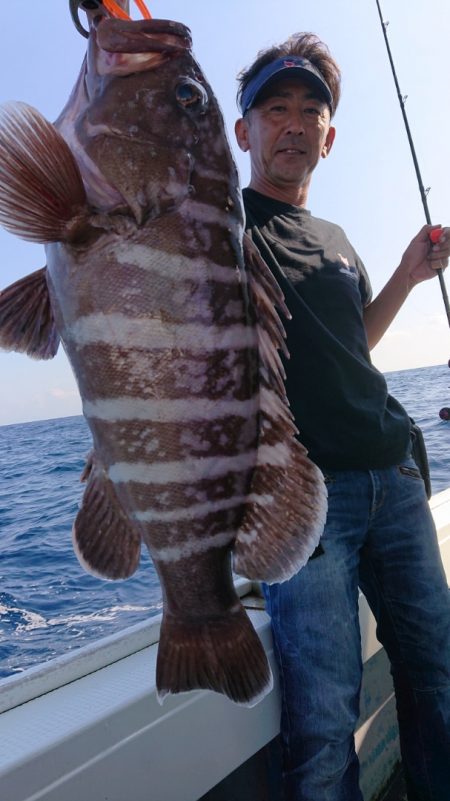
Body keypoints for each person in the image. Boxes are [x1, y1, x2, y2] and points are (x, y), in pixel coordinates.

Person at [234, 33, 450, 801]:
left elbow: (352, 342)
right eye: (275, 109)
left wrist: (406, 273)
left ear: (330, 137)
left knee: (438, 677)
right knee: (325, 726)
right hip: (305, 501)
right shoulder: (223, 232)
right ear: (243, 132)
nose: (294, 124)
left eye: (310, 112)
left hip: (393, 474)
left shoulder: (335, 238)